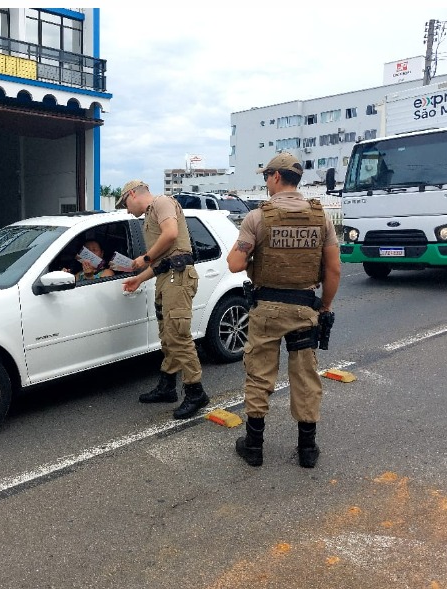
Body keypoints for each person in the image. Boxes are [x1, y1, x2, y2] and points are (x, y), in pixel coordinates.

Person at [227, 153, 341, 468]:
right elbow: (333, 271)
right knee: (305, 377)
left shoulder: (257, 217)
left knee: (259, 375)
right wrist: (325, 305)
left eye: (266, 177)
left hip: (266, 310)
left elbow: (235, 263)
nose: (266, 183)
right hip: (305, 309)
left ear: (276, 177)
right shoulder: (321, 217)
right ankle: (307, 449)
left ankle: (253, 446)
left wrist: (255, 260)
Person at [117, 180, 210, 419]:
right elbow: (162, 262)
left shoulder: (162, 202)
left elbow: (171, 234)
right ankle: (168, 386)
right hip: (166, 277)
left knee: (178, 336)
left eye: (125, 203)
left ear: (132, 194)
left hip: (178, 278)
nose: (127, 210)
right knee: (168, 336)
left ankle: (195, 392)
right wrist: (140, 278)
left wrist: (145, 258)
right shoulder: (150, 215)